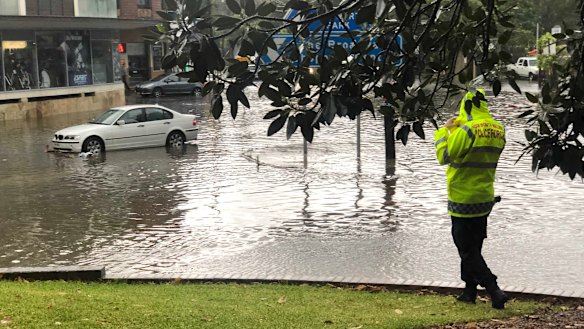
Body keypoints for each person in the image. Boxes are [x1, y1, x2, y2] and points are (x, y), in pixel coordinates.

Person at [434, 89, 509, 309]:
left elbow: (444, 156)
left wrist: (444, 132)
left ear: (466, 106)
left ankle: (494, 289)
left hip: (462, 198)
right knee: (473, 246)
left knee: (466, 249)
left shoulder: (465, 130)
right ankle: (469, 291)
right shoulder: (498, 128)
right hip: (485, 197)